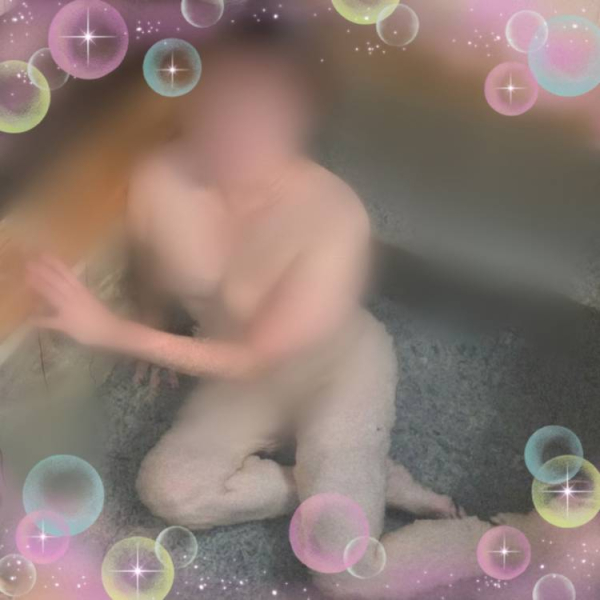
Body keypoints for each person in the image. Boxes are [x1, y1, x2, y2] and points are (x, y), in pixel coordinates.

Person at [29, 21, 593, 600]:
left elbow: (254, 358)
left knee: (345, 575)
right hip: (242, 387)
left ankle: (497, 535)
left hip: (333, 374)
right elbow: (155, 264)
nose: (237, 129)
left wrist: (115, 332)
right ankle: (363, 481)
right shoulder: (159, 178)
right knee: (170, 492)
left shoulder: (332, 215)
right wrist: (150, 320)